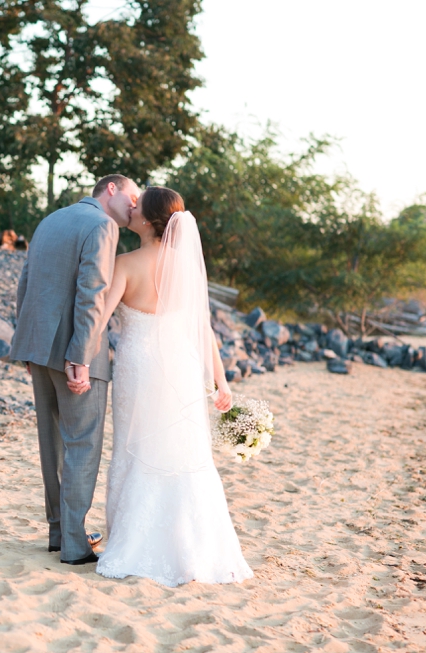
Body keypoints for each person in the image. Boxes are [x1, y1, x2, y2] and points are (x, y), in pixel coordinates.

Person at [95, 186, 253, 585]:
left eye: (137, 206)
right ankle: (195, 546)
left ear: (147, 221)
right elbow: (204, 329)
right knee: (182, 448)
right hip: (181, 366)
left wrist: (76, 356)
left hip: (137, 366)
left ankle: (134, 541)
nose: (131, 209)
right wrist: (221, 380)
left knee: (139, 446)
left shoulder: (126, 263)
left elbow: (99, 319)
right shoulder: (186, 267)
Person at [11, 174, 140, 565]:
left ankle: (58, 532)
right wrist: (81, 358)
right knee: (82, 443)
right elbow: (92, 295)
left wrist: (29, 348)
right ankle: (74, 544)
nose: (135, 206)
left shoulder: (50, 220)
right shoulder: (101, 226)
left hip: (39, 348)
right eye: (133, 197)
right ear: (111, 189)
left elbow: (26, 284)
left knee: (52, 444)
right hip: (75, 354)